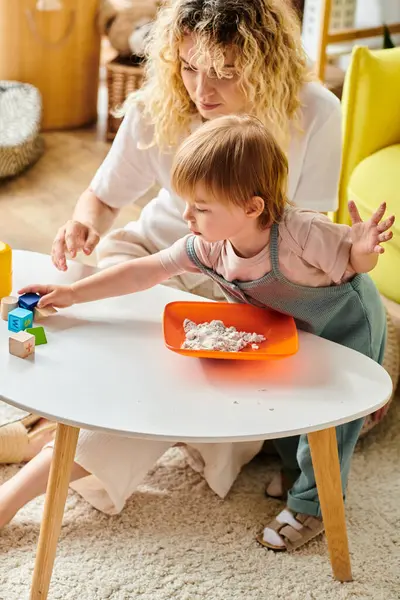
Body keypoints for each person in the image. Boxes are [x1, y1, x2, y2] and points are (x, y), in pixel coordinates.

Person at [0, 0, 343, 545]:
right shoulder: (159, 105)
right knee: (111, 321)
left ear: (267, 60)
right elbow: (103, 198)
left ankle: (23, 471)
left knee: (173, 381)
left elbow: (308, 241)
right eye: (188, 66)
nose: (201, 90)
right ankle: (34, 456)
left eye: (226, 72)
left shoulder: (316, 112)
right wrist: (81, 224)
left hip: (247, 285)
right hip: (156, 256)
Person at [8, 115, 395, 551]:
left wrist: (362, 251)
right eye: (186, 203)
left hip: (344, 328)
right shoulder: (208, 244)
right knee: (291, 406)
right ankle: (293, 471)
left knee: (328, 422)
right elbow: (146, 271)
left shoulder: (303, 234)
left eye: (202, 208)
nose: (186, 216)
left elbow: (355, 264)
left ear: (252, 208)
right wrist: (72, 293)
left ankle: (315, 506)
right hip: (287, 330)